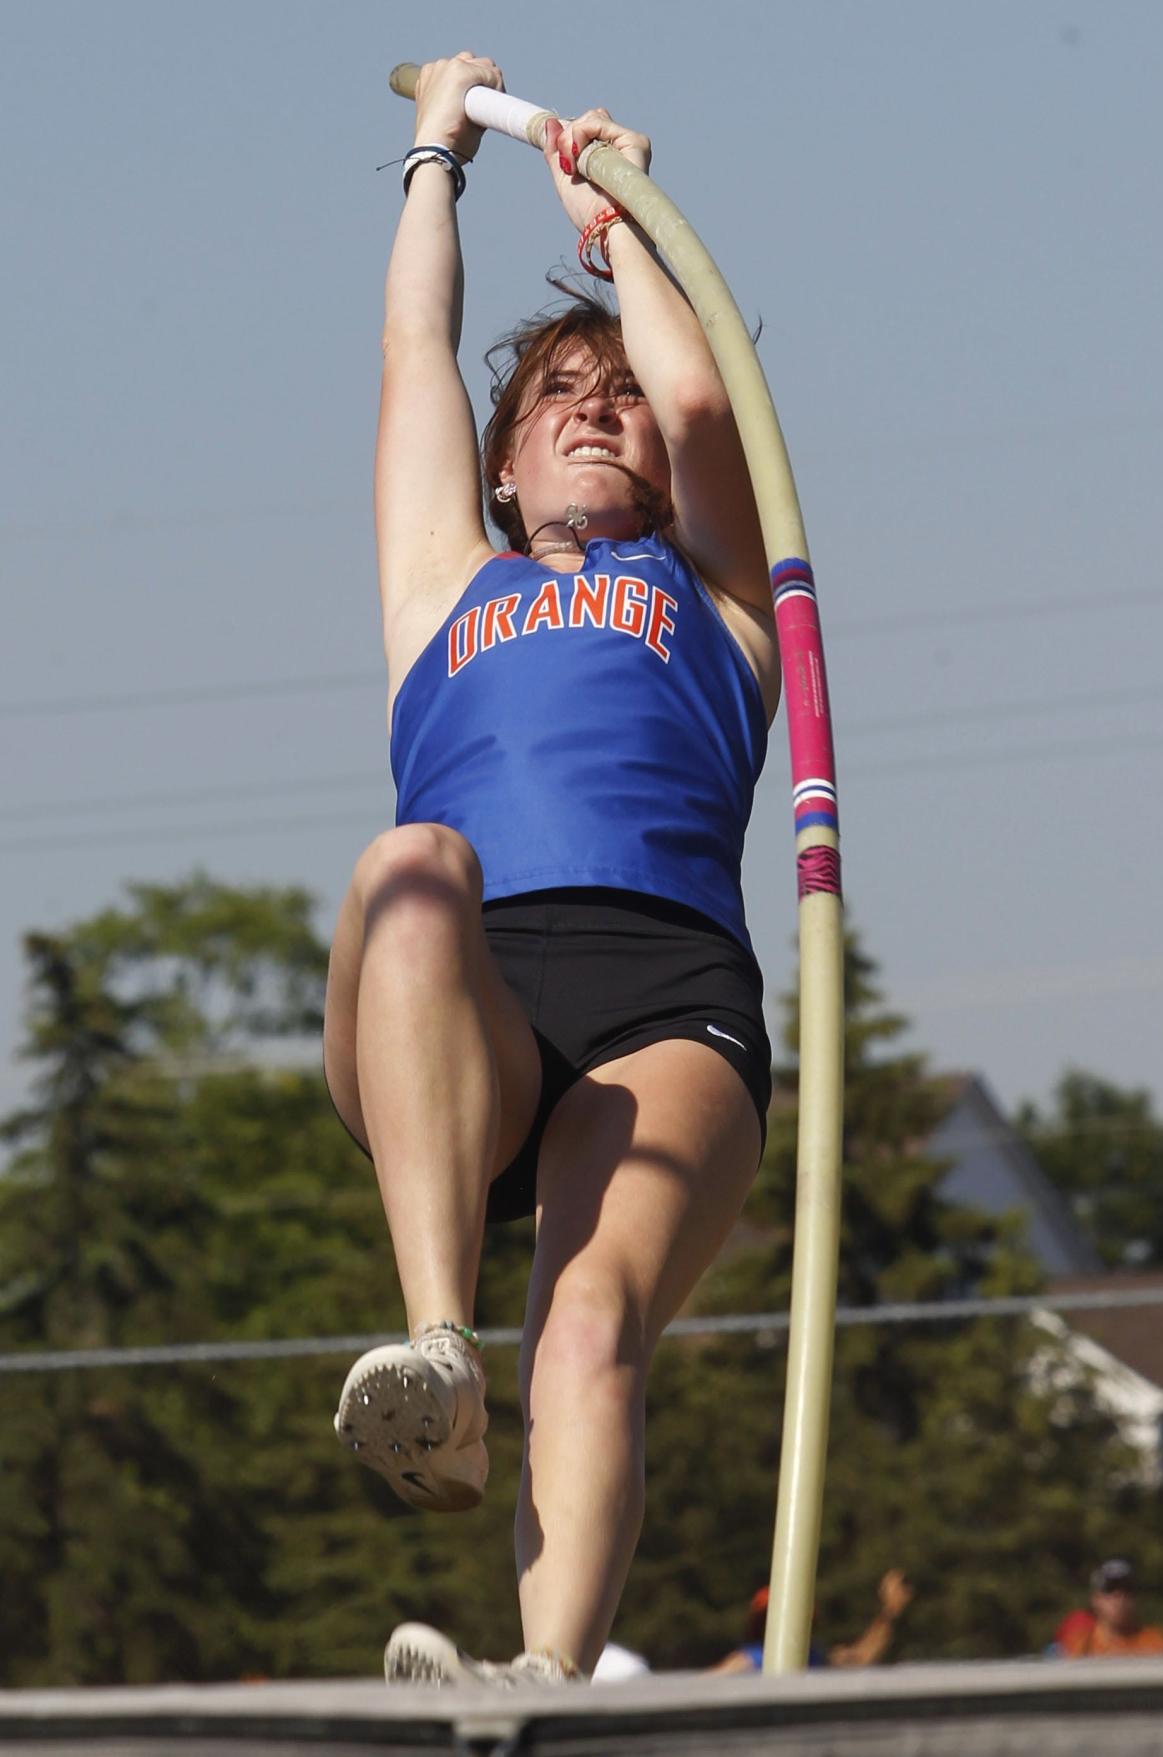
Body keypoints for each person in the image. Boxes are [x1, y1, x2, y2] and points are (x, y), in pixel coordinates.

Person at [322, 53, 779, 1687]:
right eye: (553, 398)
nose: (594, 404)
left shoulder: (719, 588)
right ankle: (437, 1349)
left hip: (665, 1003)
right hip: (461, 1004)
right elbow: (408, 355)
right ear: (502, 468)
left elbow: (711, 401)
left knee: (588, 1328)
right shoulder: (442, 591)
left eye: (619, 393)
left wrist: (618, 223)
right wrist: (437, 148)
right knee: (411, 861)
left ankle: (540, 1679)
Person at [712, 1572, 914, 1674]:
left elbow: (861, 1657)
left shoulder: (815, 1658)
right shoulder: (747, 1661)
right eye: (771, 1616)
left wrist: (890, 1611)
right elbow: (702, 1690)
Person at [1051, 1559, 1163, 1659]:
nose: (1119, 1598)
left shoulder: (1158, 1644)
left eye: (1127, 1589)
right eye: (1110, 1589)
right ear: (1096, 1599)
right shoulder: (1079, 1648)